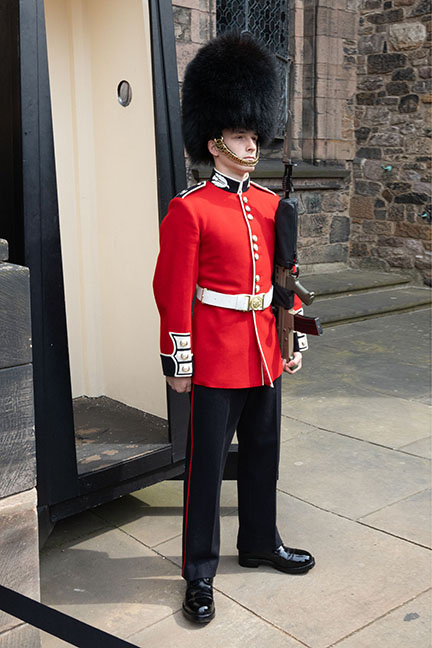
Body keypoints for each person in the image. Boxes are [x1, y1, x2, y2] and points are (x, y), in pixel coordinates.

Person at [153, 32, 314, 625]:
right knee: (204, 467)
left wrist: (290, 339)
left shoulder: (272, 207)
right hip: (216, 354)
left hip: (262, 350)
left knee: (264, 456)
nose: (254, 145)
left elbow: (284, 280)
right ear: (216, 141)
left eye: (255, 135)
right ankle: (199, 571)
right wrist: (179, 361)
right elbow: (171, 291)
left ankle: (259, 542)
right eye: (244, 136)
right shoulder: (189, 208)